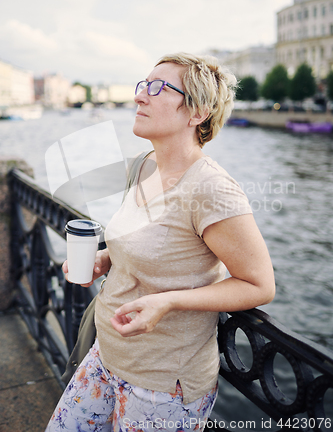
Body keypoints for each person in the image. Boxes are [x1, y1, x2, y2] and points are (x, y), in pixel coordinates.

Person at [45, 53, 275, 432]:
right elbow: (148, 244)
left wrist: (169, 301)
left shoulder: (211, 188)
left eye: (158, 88)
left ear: (197, 112)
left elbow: (259, 284)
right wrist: (105, 257)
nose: (140, 97)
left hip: (163, 384)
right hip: (106, 354)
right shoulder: (143, 164)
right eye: (143, 85)